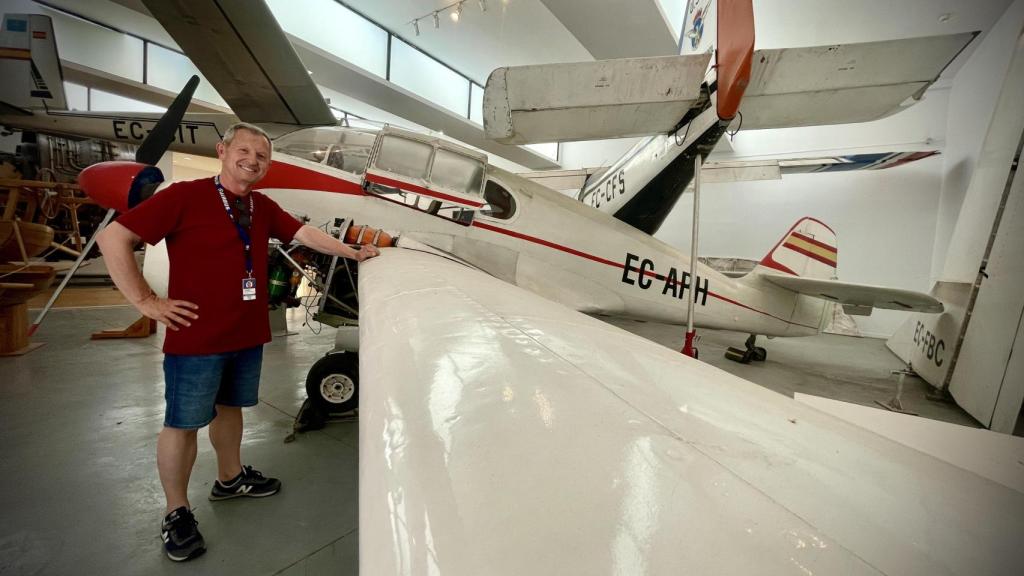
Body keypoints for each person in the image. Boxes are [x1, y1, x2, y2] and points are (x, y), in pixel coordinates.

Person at [96, 122, 380, 562]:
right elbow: (113, 237)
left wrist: (353, 253)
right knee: (182, 424)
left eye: (261, 156)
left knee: (231, 410)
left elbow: (303, 234)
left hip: (245, 333)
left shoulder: (261, 206)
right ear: (223, 151)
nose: (252, 160)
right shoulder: (184, 196)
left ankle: (229, 479)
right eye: (244, 151)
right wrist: (146, 301)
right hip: (197, 337)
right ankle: (176, 511)